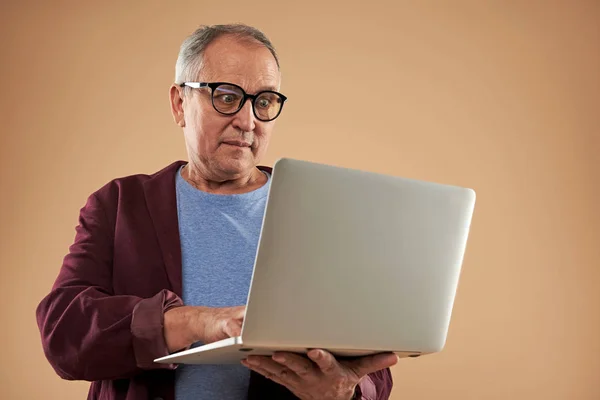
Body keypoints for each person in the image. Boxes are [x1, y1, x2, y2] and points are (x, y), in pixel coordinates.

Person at [35, 23, 398, 400]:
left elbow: (369, 365)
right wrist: (194, 322)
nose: (247, 121)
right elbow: (63, 332)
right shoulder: (119, 205)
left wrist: (342, 392)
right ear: (180, 104)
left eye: (264, 101)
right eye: (226, 97)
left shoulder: (318, 215)